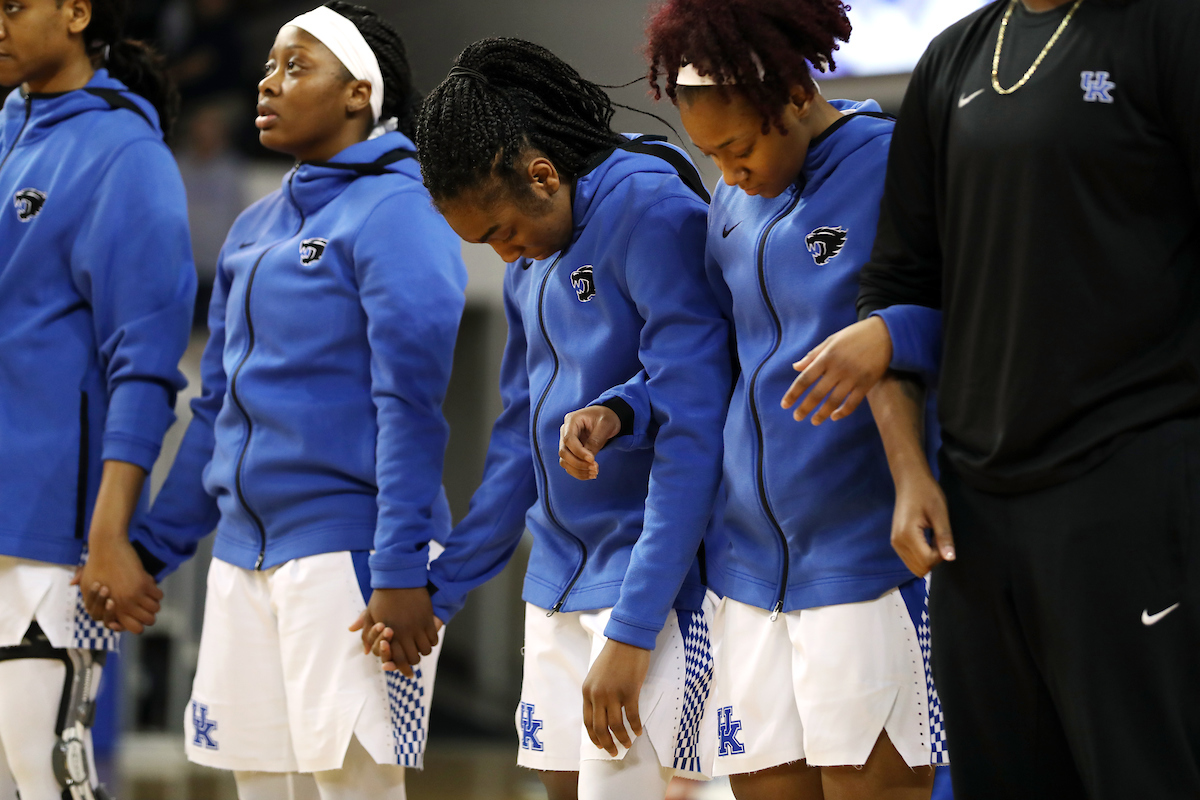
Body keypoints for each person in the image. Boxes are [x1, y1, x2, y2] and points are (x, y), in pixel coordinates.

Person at [784, 0, 1200, 796]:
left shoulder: (1168, 29)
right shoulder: (953, 58)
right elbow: (900, 287)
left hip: (1133, 486)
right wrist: (910, 473)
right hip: (974, 516)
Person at [561, 0, 953, 797]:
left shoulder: (893, 162)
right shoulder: (732, 208)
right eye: (711, 157)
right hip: (743, 570)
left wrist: (892, 335)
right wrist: (624, 408)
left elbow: (976, 312)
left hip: (865, 558)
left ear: (797, 97)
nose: (729, 175)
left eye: (738, 148)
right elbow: (712, 360)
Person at [88, 4, 467, 798]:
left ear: (359, 93)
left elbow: (411, 409)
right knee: (258, 786)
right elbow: (217, 409)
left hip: (357, 557)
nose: (268, 81)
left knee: (354, 788)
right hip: (242, 558)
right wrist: (153, 547)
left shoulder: (402, 212)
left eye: (297, 67)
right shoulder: (255, 225)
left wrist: (399, 570)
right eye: (268, 65)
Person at [366, 36, 732, 800]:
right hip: (559, 578)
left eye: (500, 231)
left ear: (543, 174)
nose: (503, 255)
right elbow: (517, 445)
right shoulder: (532, 256)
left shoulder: (652, 208)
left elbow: (696, 427)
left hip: (655, 585)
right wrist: (443, 589)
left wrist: (634, 629)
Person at [0, 0, 196, 797]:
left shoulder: (125, 152)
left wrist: (110, 533)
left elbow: (145, 366)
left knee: (42, 768)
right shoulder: (7, 125)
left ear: (78, 12)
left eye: (13, 6)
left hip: (56, 533)